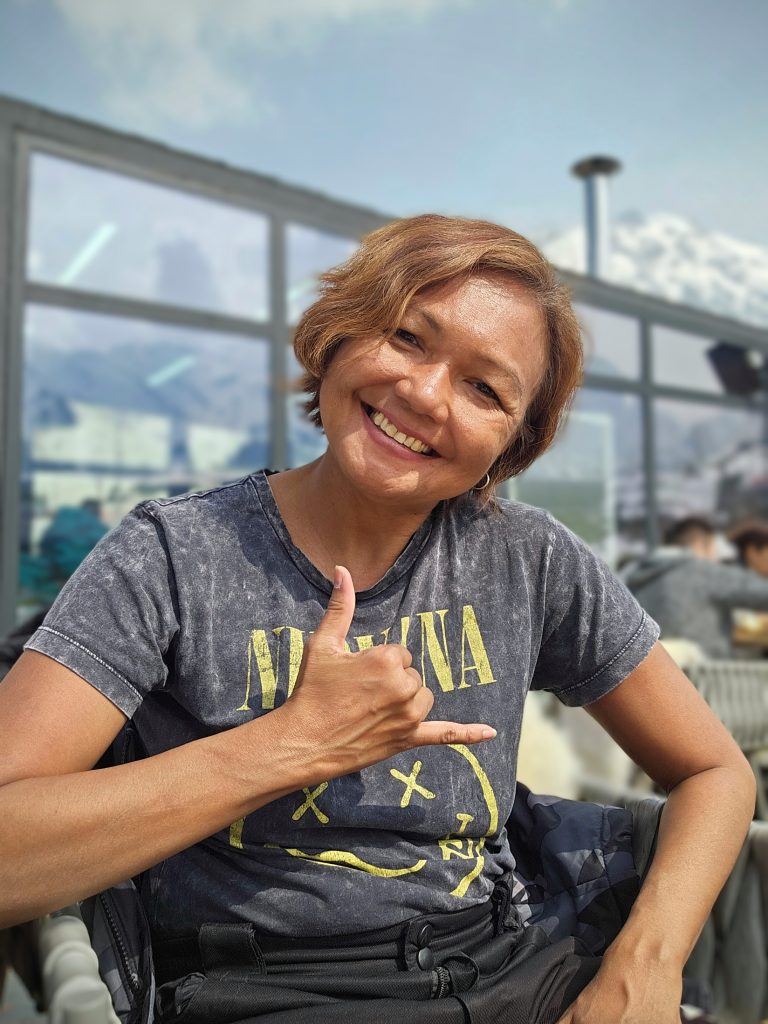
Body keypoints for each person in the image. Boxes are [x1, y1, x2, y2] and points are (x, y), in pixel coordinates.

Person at [0, 215, 755, 1024]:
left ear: (510, 446)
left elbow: (718, 773)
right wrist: (292, 744)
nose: (425, 394)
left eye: (485, 389)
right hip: (273, 987)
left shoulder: (529, 558)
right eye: (406, 337)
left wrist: (647, 962)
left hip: (518, 960)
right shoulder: (173, 555)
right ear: (338, 334)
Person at [623, 514, 768, 659]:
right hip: (706, 675)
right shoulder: (702, 571)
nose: (716, 558)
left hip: (654, 675)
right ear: (701, 544)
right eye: (714, 548)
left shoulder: (635, 578)